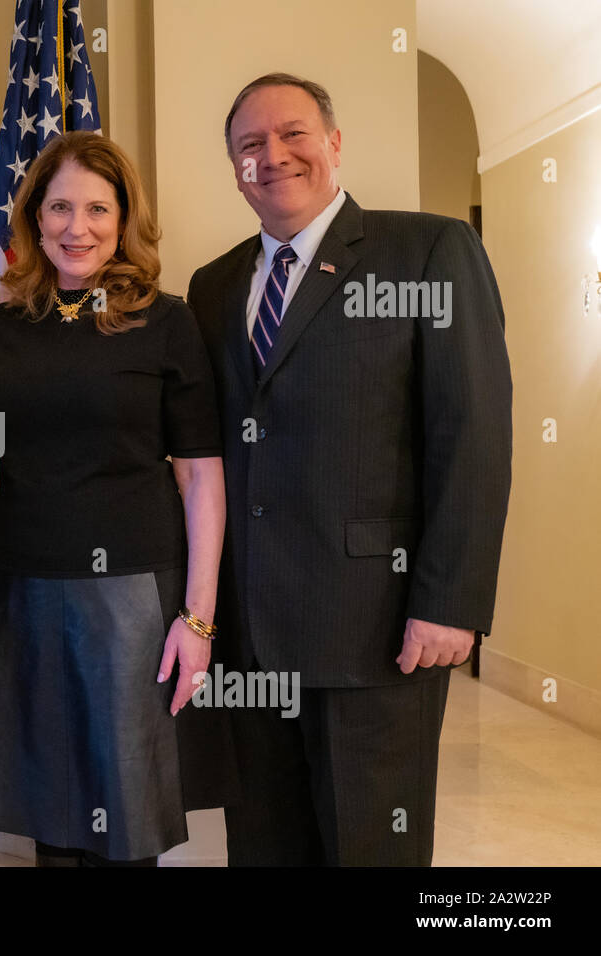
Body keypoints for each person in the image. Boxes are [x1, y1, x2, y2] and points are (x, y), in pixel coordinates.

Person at [187, 73, 513, 866]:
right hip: (251, 640)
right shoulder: (213, 285)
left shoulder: (428, 251)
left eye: (293, 134)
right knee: (264, 849)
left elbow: (473, 436)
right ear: (235, 168)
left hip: (375, 630)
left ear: (334, 143)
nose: (273, 155)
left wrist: (449, 602)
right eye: (250, 145)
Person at [0, 131, 237, 866]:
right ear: (34, 217)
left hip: (132, 599)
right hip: (21, 590)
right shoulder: (4, 330)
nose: (76, 227)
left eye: (96, 209)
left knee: (126, 821)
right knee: (49, 816)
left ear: (123, 219)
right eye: (59, 208)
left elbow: (202, 477)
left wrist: (199, 620)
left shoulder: (168, 320)